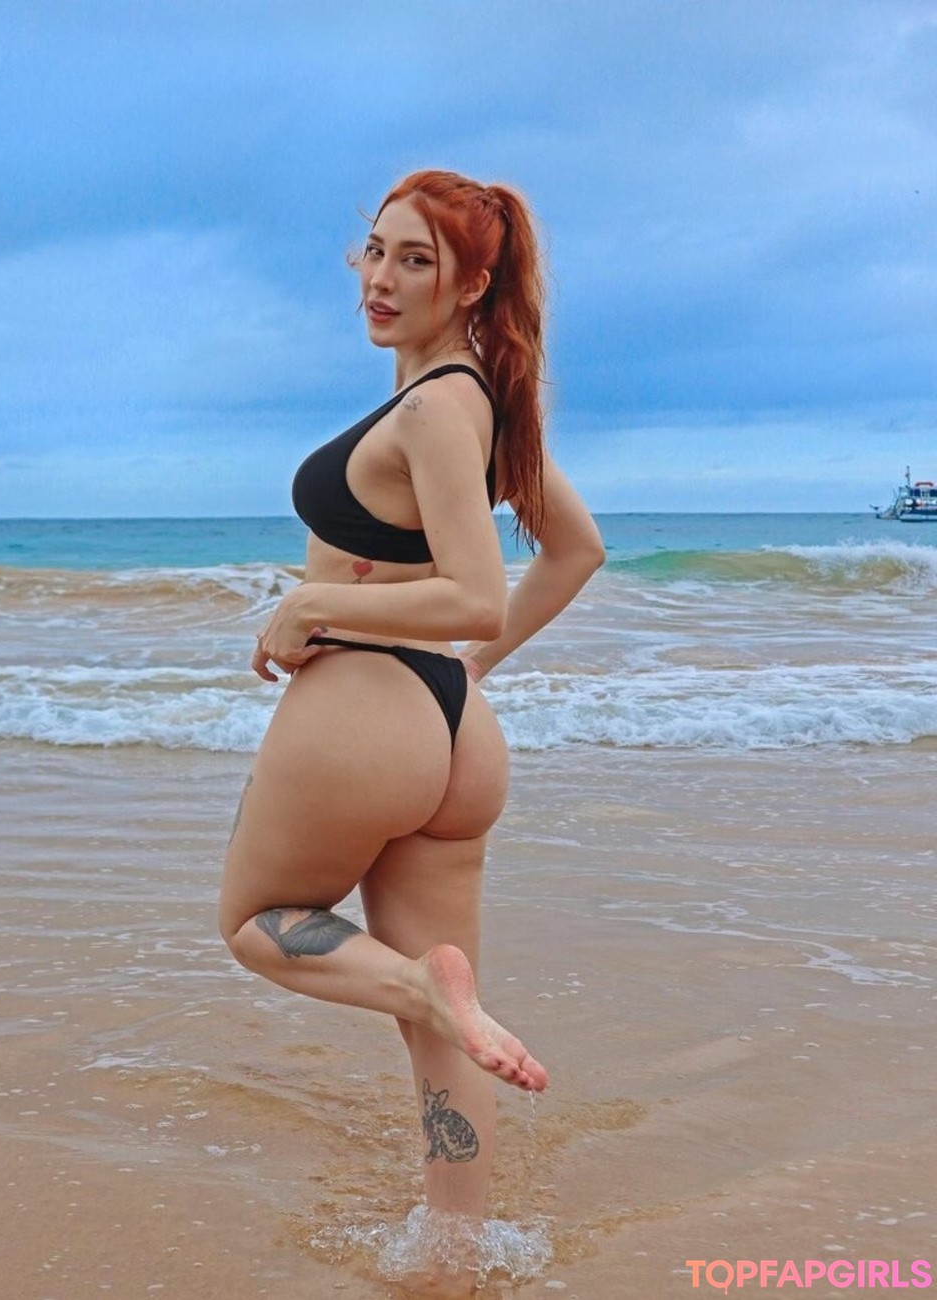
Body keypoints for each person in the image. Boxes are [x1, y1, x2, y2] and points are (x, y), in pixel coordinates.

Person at [218, 169, 604, 1238]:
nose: (380, 279)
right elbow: (578, 551)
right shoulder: (479, 402)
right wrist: (466, 675)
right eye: (376, 251)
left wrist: (312, 605)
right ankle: (456, 1250)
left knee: (256, 925)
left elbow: (476, 593)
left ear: (473, 284)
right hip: (449, 729)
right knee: (444, 1016)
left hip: (366, 714)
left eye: (415, 260)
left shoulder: (437, 408)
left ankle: (430, 994)